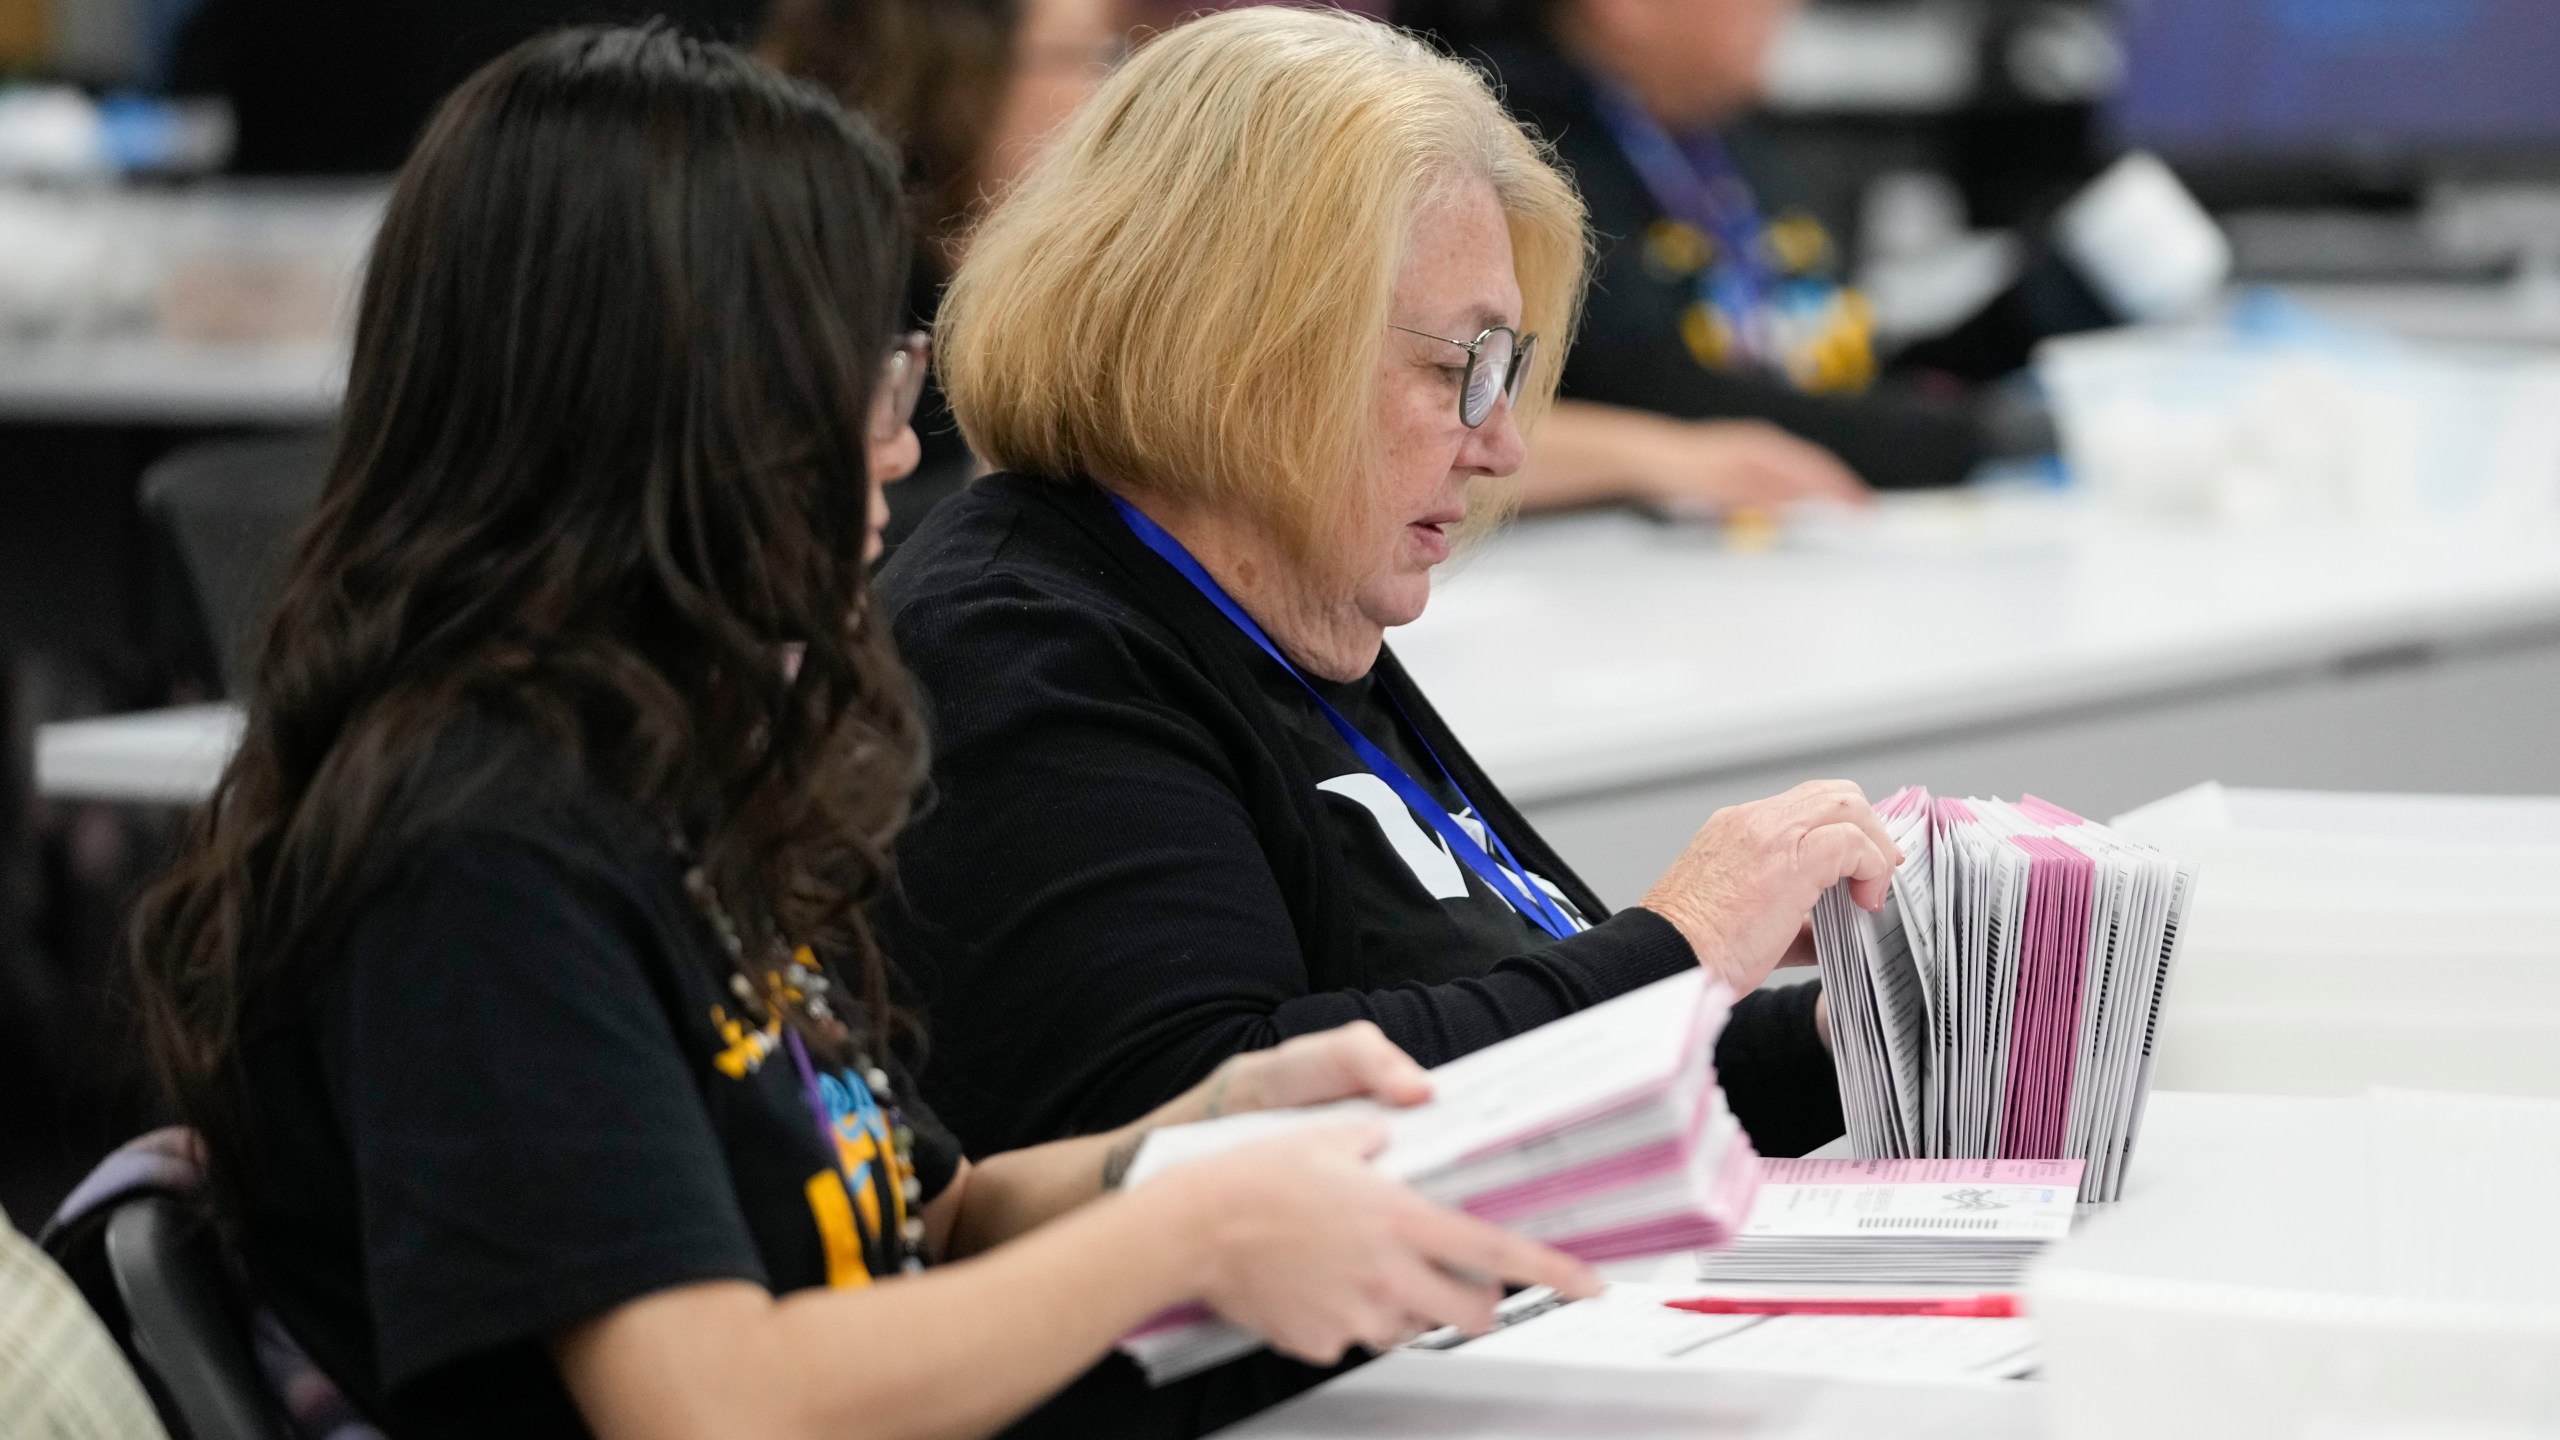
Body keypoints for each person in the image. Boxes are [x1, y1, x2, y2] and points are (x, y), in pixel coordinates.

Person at [124, 26, 1600, 1440]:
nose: (900, 442)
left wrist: (1213, 1126)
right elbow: (717, 1403)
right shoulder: (478, 853)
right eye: (863, 376)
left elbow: (929, 1212)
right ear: (686, 399)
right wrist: (1190, 1234)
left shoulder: (649, 791)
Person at [883, 5, 1900, 1427]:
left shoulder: (1286, 596)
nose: (1503, 446)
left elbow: (1532, 1082)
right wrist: (1680, 951)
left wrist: (1890, 1030)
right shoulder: (1019, 638)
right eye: (1458, 368)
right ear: (1250, 345)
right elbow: (1210, 1140)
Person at [1394, 0, 1995, 505]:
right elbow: (1648, 387)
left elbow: (1824, 346)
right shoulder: (1506, 145)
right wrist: (1963, 437)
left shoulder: (1728, 139)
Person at [759, 0, 1128, 549]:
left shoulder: (1014, 284)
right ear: (965, 71)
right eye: (1095, 59)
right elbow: (791, 532)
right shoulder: (810, 281)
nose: (1113, 96)